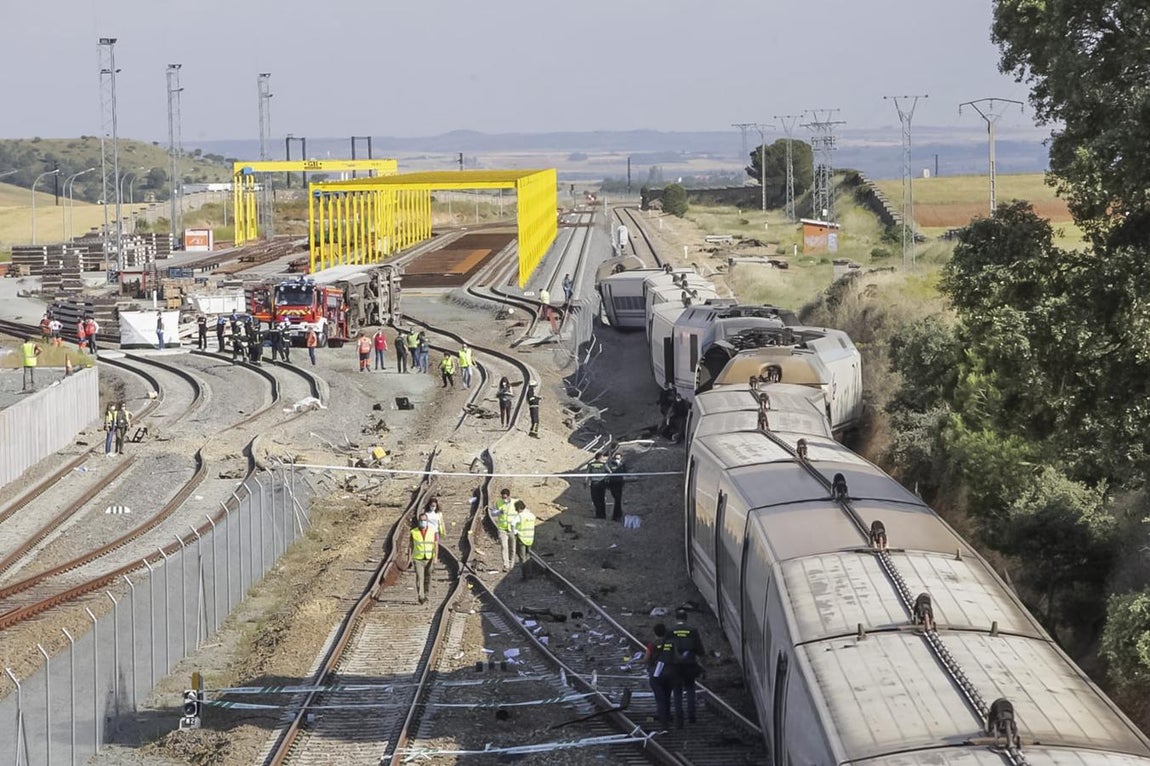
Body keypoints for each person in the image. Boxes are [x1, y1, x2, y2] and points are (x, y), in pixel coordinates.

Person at [670, 607, 706, 726]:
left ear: (676, 619)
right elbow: (700, 650)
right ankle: (691, 717)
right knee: (690, 690)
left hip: (675, 667)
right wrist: (703, 667)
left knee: (677, 692)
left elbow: (666, 649)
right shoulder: (692, 631)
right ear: (686, 619)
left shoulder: (671, 631)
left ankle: (679, 719)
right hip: (689, 666)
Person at [643, 623, 677, 729]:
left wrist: (635, 661)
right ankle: (668, 715)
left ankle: (664, 723)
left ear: (655, 633)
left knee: (660, 698)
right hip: (669, 672)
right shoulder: (671, 644)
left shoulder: (652, 645)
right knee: (667, 695)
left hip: (656, 674)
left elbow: (646, 659)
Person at [411, 512, 436, 605]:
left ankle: (426, 593)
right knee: (419, 578)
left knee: (428, 577)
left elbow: (435, 545)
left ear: (427, 521)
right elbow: (410, 546)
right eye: (421, 520)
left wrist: (435, 557)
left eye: (424, 520)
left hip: (429, 558)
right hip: (418, 559)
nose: (423, 522)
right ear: (419, 521)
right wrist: (409, 558)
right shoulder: (414, 532)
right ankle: (421, 596)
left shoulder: (432, 531)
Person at [491, 488, 517, 571]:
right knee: (504, 546)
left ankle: (511, 564)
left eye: (505, 497)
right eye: (502, 497)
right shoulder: (498, 502)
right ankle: (506, 565)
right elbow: (492, 513)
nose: (504, 499)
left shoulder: (515, 503)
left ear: (509, 496)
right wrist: (499, 512)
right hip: (502, 529)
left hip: (512, 529)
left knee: (512, 548)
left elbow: (520, 513)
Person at [512, 499, 536, 580]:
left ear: (519, 508)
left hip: (522, 538)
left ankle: (525, 576)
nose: (516, 511)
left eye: (516, 509)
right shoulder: (532, 515)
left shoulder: (520, 516)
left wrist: (515, 532)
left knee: (522, 558)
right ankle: (530, 574)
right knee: (528, 556)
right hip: (530, 538)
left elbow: (512, 523)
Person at [586, 451, 611, 519]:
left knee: (595, 499)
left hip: (594, 484)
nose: (603, 459)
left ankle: (598, 514)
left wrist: (585, 482)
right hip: (602, 484)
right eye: (602, 457)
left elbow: (587, 475)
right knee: (601, 499)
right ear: (600, 457)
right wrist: (607, 481)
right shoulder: (604, 465)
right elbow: (610, 472)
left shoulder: (591, 465)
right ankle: (603, 515)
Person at [607, 452, 627, 521]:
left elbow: (625, 473)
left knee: (618, 500)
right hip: (613, 484)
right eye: (615, 458)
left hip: (620, 484)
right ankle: (616, 515)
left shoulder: (622, 465)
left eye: (618, 458)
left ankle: (618, 514)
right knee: (617, 499)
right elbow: (607, 473)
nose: (616, 459)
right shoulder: (610, 464)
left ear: (621, 458)